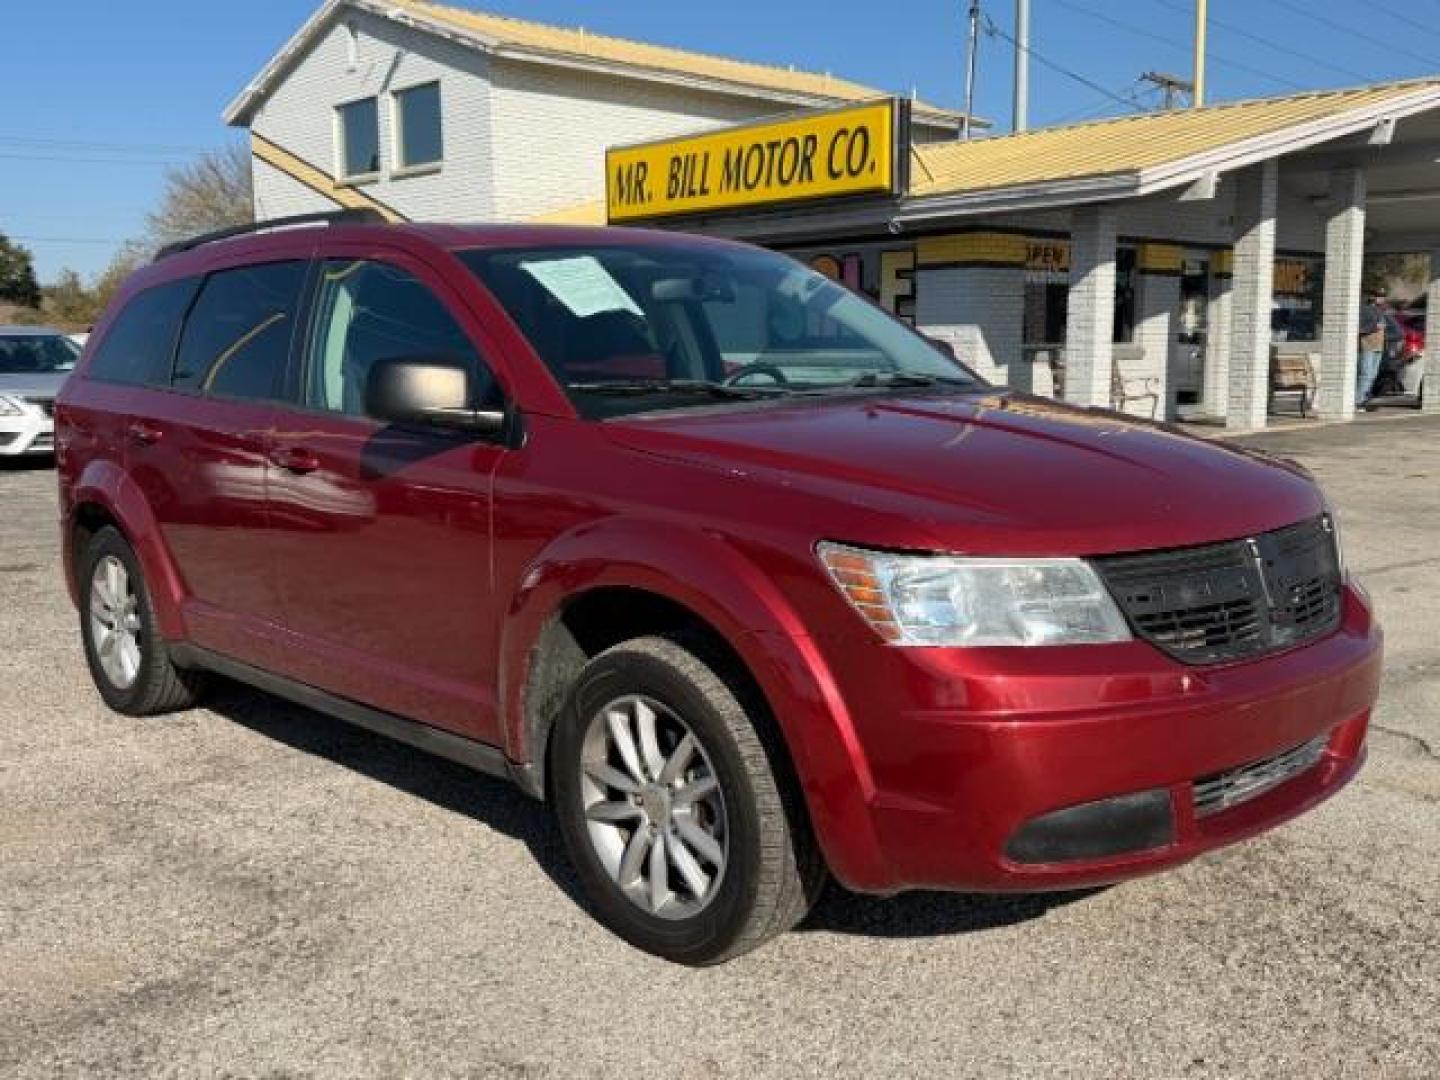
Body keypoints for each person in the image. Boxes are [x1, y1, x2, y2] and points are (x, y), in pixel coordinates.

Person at [1358, 292, 1386, 405]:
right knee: (1365, 374)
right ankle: (1358, 400)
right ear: (1372, 297)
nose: (1382, 298)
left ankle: (1365, 397)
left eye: (1383, 296)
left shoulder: (1380, 311)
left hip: (1378, 347)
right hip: (1367, 345)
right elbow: (1359, 328)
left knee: (1373, 374)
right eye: (1379, 296)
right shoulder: (1364, 309)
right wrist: (1374, 327)